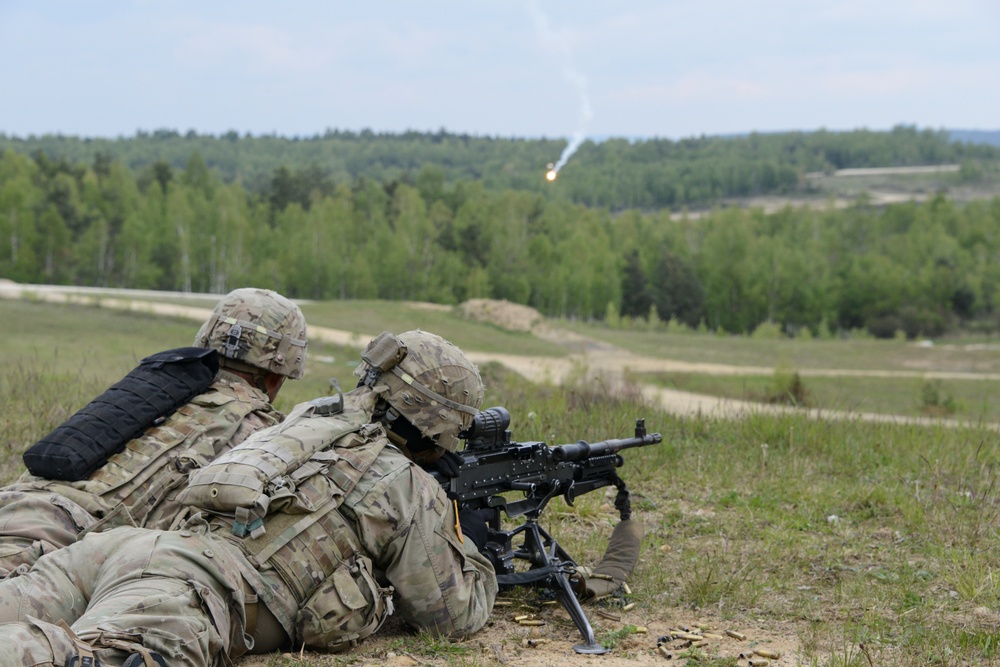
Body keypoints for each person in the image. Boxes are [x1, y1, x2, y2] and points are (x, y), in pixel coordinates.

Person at [0, 329, 497, 667]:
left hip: (123, 548)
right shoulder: (404, 483)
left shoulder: (307, 419)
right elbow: (451, 616)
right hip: (193, 586)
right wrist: (467, 536)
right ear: (438, 423)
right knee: (75, 656)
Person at [0, 287, 308, 577]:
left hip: (16, 503)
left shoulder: (152, 384)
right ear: (278, 374)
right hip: (65, 549)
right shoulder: (265, 433)